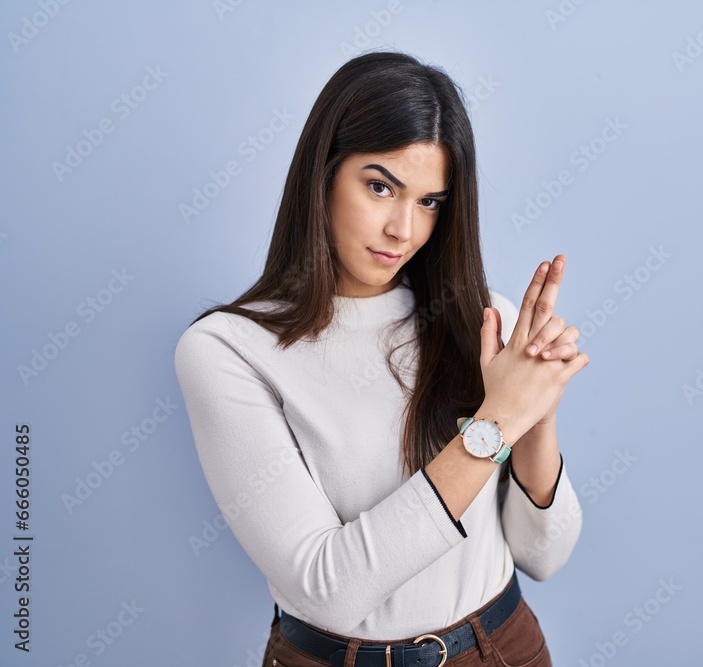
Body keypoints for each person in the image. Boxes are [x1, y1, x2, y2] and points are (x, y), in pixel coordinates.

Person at [173, 50, 589, 667]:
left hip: (502, 646)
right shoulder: (228, 351)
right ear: (323, 174)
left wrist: (535, 406)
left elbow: (544, 556)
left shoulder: (481, 319)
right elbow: (326, 589)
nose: (404, 229)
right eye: (379, 186)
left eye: (430, 202)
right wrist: (497, 421)